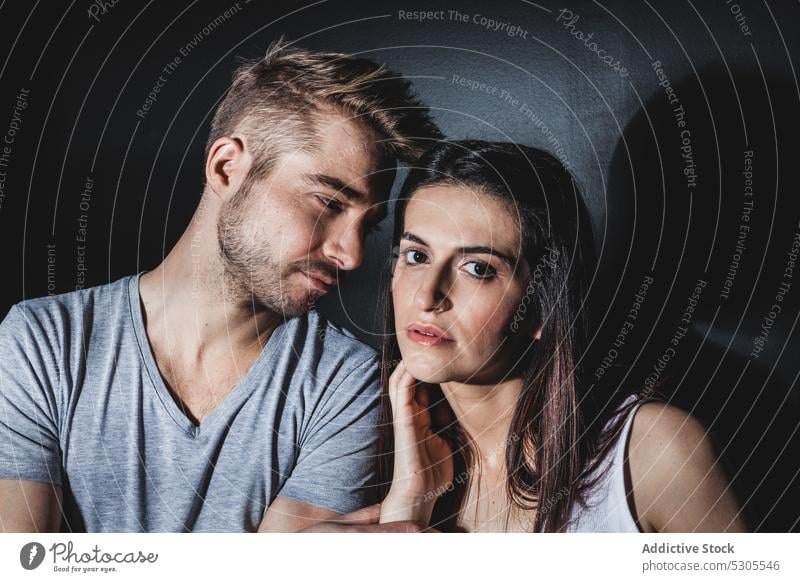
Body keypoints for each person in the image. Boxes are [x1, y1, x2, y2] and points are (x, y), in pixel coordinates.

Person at [0, 39, 441, 532]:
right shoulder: (42, 342)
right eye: (329, 203)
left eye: (369, 224)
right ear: (227, 167)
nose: (352, 253)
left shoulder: (345, 384)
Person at [377, 140, 748, 532]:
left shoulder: (651, 451)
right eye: (417, 256)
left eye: (477, 268)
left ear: (542, 306)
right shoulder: (378, 457)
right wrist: (404, 511)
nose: (427, 295)